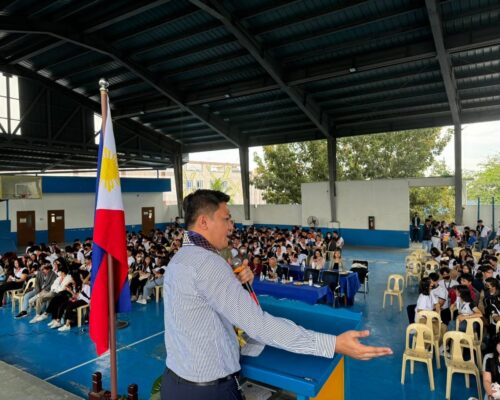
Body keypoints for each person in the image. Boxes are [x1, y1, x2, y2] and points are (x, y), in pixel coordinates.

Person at [162, 190, 392, 400]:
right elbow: (259, 326)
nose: (232, 226)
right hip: (208, 392)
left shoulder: (180, 259)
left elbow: (202, 311)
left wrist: (237, 284)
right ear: (204, 221)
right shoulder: (208, 263)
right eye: (226, 218)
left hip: (175, 383)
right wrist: (332, 344)